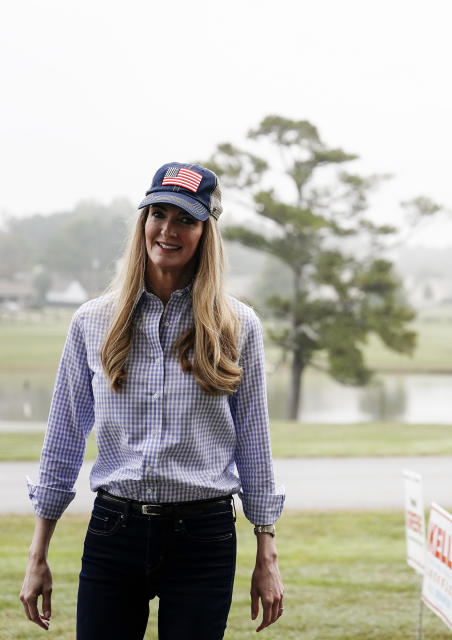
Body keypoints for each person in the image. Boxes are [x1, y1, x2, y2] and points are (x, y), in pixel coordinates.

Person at [19, 162, 286, 639]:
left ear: (206, 232)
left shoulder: (238, 326)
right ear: (141, 221)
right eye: (157, 213)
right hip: (113, 532)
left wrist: (267, 553)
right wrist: (37, 554)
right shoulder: (92, 322)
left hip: (204, 538)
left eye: (185, 218)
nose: (168, 229)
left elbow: (254, 444)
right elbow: (62, 440)